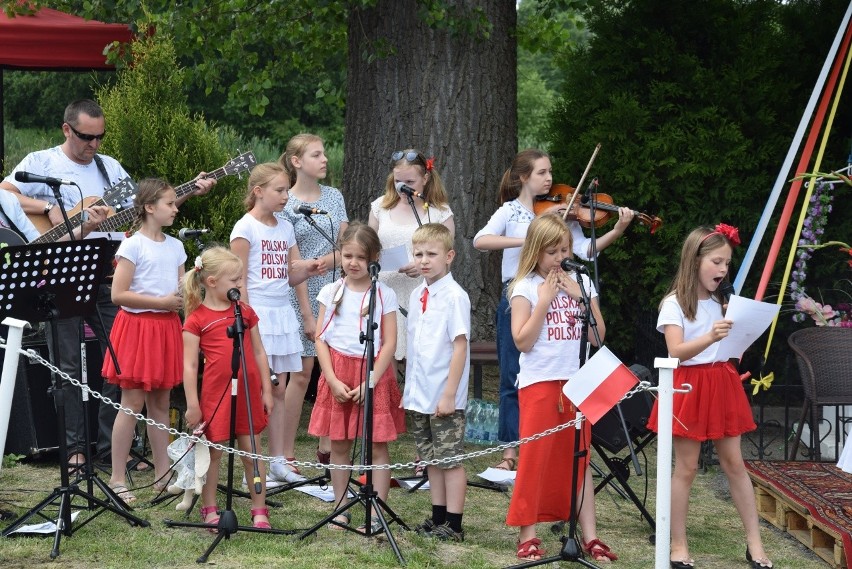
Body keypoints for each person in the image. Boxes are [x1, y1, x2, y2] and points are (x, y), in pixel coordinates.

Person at [1, 98, 215, 472]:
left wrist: (187, 191)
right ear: (67, 129)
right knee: (66, 363)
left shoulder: (109, 168)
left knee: (120, 361)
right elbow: (5, 193)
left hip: (106, 275)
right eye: (86, 137)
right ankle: (73, 450)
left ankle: (110, 447)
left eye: (99, 137)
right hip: (59, 276)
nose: (94, 145)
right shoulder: (40, 162)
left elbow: (144, 207)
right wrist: (48, 209)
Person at [472, 148, 633, 473]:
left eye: (549, 172)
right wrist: (530, 241)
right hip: (518, 294)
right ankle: (509, 452)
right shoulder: (511, 211)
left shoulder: (563, 213)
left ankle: (546, 444)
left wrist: (615, 230)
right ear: (523, 178)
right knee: (511, 377)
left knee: (556, 372)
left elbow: (584, 250)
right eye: (542, 173)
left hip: (556, 294)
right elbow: (481, 240)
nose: (550, 179)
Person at [646, 224, 772, 569]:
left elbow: (732, 345)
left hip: (721, 382)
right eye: (716, 261)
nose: (722, 270)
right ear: (695, 260)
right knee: (685, 467)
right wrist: (711, 338)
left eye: (727, 264)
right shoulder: (674, 304)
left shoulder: (724, 302)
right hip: (688, 384)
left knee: (735, 464)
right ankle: (678, 545)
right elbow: (675, 351)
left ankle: (755, 543)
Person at [505, 212, 616, 562]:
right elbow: (522, 340)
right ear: (536, 252)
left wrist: (580, 297)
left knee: (579, 459)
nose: (559, 258)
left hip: (575, 382)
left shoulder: (580, 283)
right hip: (540, 382)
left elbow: (598, 335)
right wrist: (545, 301)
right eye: (552, 252)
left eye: (564, 250)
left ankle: (590, 535)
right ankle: (528, 533)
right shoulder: (524, 287)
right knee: (535, 458)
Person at [230, 162, 325, 486]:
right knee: (259, 390)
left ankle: (279, 460)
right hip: (257, 314)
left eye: (287, 190)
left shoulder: (285, 228)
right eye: (280, 190)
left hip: (282, 313)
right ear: (259, 192)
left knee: (279, 388)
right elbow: (238, 281)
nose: (286, 196)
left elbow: (291, 273)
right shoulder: (245, 229)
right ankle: (252, 467)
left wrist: (309, 270)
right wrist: (248, 321)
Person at [307, 222, 405, 532]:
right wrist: (332, 379)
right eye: (347, 255)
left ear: (374, 257)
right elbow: (321, 338)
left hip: (372, 371)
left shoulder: (383, 293)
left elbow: (389, 341)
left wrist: (371, 380)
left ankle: (376, 511)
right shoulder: (331, 291)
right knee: (339, 443)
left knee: (376, 445)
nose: (353, 263)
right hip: (338, 370)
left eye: (360, 257)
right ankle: (339, 505)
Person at [100, 178, 188, 503]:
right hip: (137, 328)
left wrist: (185, 295)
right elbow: (117, 294)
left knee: (161, 404)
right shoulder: (133, 245)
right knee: (132, 403)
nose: (176, 208)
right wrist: (162, 303)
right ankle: (118, 478)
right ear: (150, 207)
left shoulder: (177, 246)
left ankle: (162, 475)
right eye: (170, 203)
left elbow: (180, 291)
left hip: (166, 328)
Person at [182, 246, 275, 530]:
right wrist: (193, 404)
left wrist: (267, 389)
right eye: (234, 280)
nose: (240, 284)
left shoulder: (244, 312)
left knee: (252, 451)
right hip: (216, 394)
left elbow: (259, 351)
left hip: (248, 392)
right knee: (214, 453)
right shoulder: (196, 318)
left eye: (241, 279)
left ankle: (259, 508)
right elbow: (189, 366)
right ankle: (209, 506)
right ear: (211, 282)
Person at [279, 133, 349, 468]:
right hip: (299, 295)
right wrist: (307, 271)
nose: (325, 160)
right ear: (296, 162)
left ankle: (327, 448)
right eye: (316, 154)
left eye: (324, 154)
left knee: (336, 371)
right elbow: (286, 259)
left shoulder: (334, 197)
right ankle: (285, 451)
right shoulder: (286, 203)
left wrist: (331, 261)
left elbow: (346, 245)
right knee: (302, 373)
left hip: (335, 292)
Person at [403, 223, 470, 542]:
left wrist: (449, 394)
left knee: (449, 459)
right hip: (420, 393)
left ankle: (454, 524)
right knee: (431, 460)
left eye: (432, 253)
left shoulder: (455, 297)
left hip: (444, 394)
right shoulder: (418, 294)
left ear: (449, 256)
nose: (425, 260)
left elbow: (459, 345)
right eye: (419, 254)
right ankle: (438, 516)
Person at [368, 149, 454, 363]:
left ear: (425, 178)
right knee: (383, 360)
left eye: (409, 181)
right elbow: (369, 248)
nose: (402, 187)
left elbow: (447, 258)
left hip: (422, 290)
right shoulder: (380, 207)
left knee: (418, 359)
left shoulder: (440, 213)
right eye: (398, 181)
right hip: (386, 291)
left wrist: (424, 267)